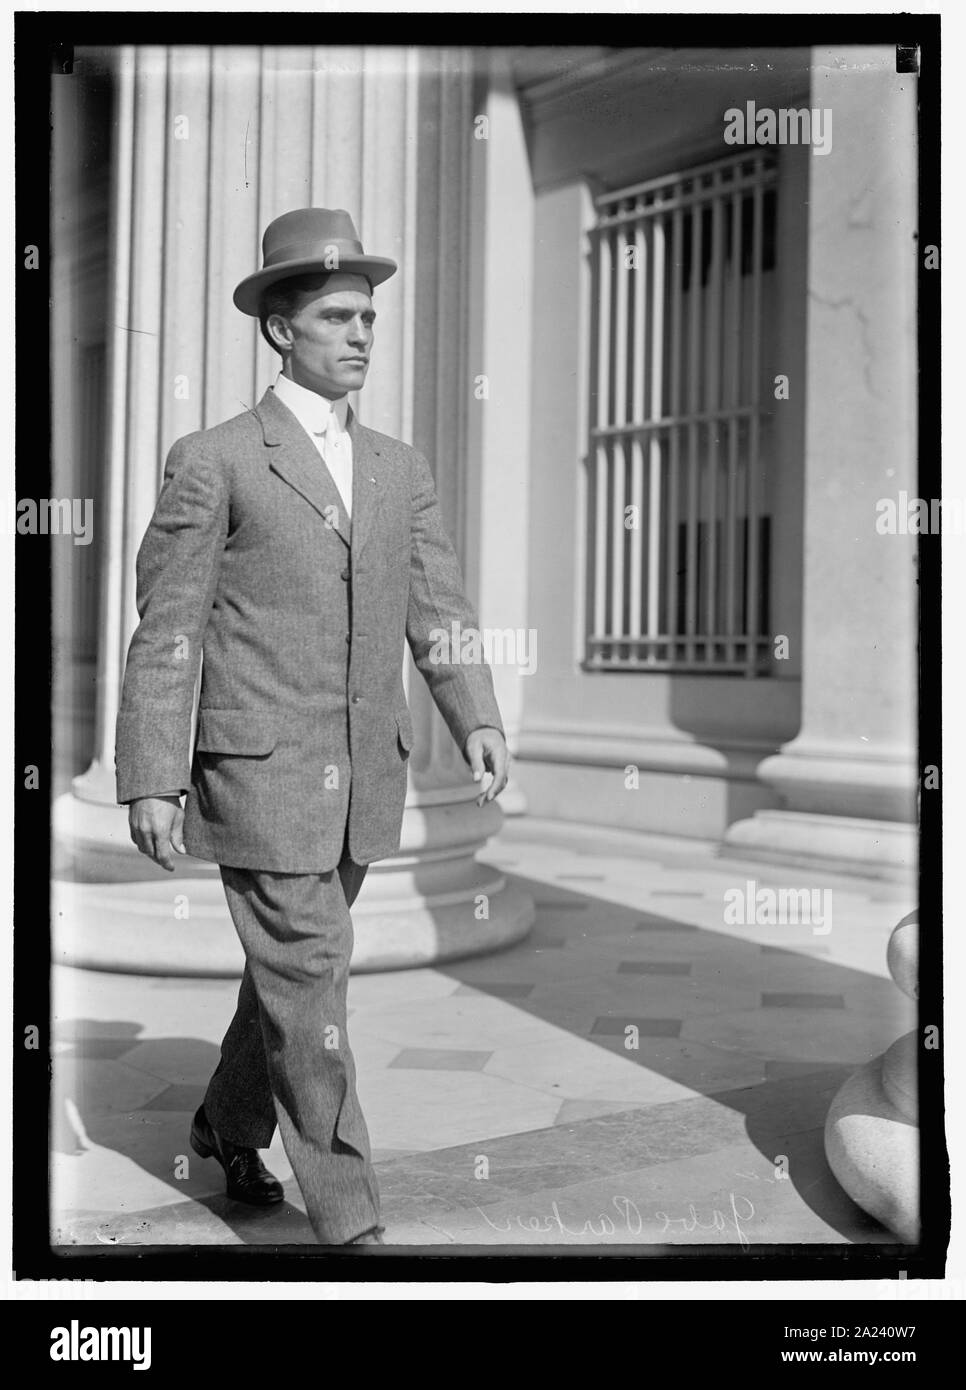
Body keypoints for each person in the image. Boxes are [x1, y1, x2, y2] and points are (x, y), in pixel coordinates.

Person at [115, 208, 509, 1245]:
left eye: (368, 316)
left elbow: (438, 604)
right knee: (314, 985)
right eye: (338, 316)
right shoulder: (216, 459)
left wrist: (475, 712)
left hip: (365, 777)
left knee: (291, 979)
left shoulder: (397, 467)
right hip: (260, 775)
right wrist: (152, 775)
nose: (362, 334)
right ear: (280, 330)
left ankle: (227, 1121)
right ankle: (352, 1222)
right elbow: (169, 628)